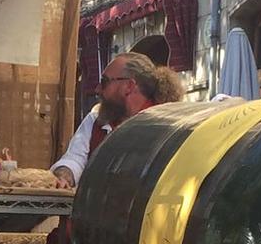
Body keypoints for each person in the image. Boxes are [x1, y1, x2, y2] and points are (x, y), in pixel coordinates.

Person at [49, 53, 183, 187]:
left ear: (129, 86)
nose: (98, 89)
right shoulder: (95, 121)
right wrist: (64, 176)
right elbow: (75, 159)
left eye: (105, 81)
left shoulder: (164, 126)